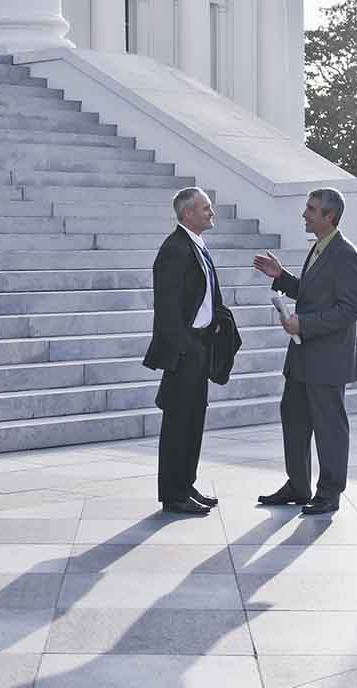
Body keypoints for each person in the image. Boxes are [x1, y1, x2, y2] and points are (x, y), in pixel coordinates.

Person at [252, 188, 357, 515]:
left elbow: (351, 308)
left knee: (329, 427)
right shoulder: (319, 248)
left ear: (329, 217)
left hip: (328, 358)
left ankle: (329, 492)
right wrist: (282, 278)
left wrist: (303, 324)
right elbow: (313, 293)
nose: (305, 214)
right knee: (293, 418)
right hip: (303, 357)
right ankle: (298, 485)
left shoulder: (345, 253)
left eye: (311, 209)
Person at [143, 187, 223, 515]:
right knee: (178, 423)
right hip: (185, 350)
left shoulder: (196, 245)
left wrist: (217, 321)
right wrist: (185, 346)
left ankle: (186, 484)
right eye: (205, 208)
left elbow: (202, 296)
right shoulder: (174, 249)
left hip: (200, 344)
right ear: (187, 213)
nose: (211, 212)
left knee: (194, 421)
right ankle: (173, 494)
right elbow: (167, 307)